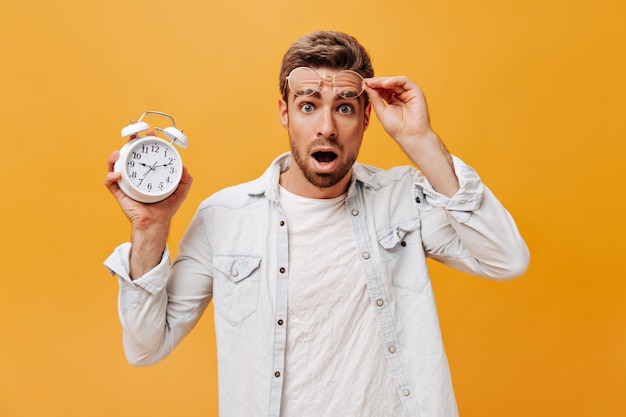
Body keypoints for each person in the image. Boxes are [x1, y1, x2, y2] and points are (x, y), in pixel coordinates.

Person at [104, 30, 529, 417]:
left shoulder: (403, 201)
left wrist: (420, 142)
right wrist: (149, 228)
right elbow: (145, 346)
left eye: (344, 108)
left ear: (366, 118)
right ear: (285, 113)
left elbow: (506, 260)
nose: (326, 128)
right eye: (308, 106)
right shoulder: (224, 218)